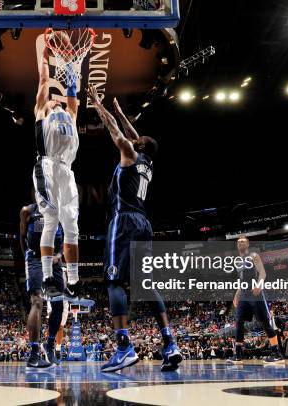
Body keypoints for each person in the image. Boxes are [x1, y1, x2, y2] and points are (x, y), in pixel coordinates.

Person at [88, 85, 181, 373]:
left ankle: (124, 347)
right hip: (144, 223)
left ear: (138, 145)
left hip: (124, 221)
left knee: (115, 281)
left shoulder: (129, 154)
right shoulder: (148, 164)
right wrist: (120, 111)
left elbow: (117, 132)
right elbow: (131, 133)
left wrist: (98, 105)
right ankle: (170, 344)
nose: (134, 137)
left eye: (137, 138)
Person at [32, 37, 81, 301]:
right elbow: (43, 82)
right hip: (47, 164)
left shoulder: (71, 113)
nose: (56, 101)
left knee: (72, 225)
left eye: (58, 100)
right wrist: (46, 55)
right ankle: (48, 278)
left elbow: (72, 89)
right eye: (53, 100)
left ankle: (73, 280)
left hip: (67, 169)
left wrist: (71, 59)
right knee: (51, 218)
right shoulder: (42, 111)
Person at [20, 203, 65, 370]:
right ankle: (33, 354)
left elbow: (67, 238)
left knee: (58, 305)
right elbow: (22, 237)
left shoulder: (62, 209)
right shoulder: (27, 211)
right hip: (35, 259)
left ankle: (50, 345)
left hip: (55, 261)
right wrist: (30, 257)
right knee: (37, 302)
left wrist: (59, 256)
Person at [228, 235, 284, 364]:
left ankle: (277, 353)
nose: (240, 243)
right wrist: (237, 294)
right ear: (237, 245)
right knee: (239, 322)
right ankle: (238, 355)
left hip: (255, 293)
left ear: (247, 244)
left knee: (264, 322)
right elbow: (241, 280)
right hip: (243, 294)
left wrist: (258, 285)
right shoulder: (237, 260)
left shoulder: (254, 255)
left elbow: (263, 273)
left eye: (243, 241)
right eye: (238, 242)